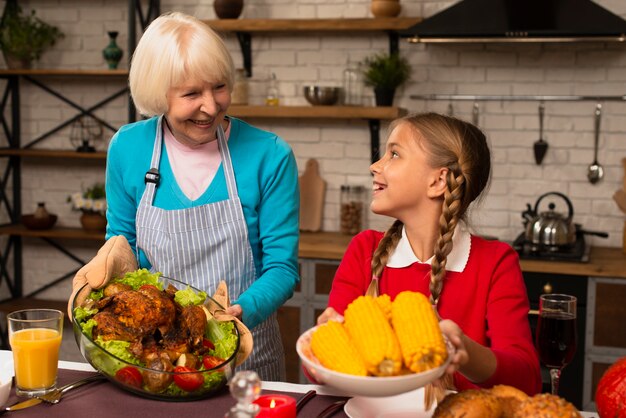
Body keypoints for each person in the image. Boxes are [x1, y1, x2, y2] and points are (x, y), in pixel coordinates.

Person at [72, 12, 300, 381]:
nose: (210, 106)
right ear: (157, 92)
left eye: (219, 87)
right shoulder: (129, 147)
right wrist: (104, 271)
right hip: (152, 356)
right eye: (192, 94)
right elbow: (121, 244)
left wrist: (236, 315)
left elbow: (282, 269)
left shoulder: (269, 156)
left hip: (244, 357)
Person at [317, 112, 542, 395]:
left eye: (394, 154)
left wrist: (465, 352)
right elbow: (319, 376)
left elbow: (527, 379)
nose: (375, 166)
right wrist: (326, 344)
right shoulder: (364, 249)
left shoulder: (495, 262)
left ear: (438, 181)